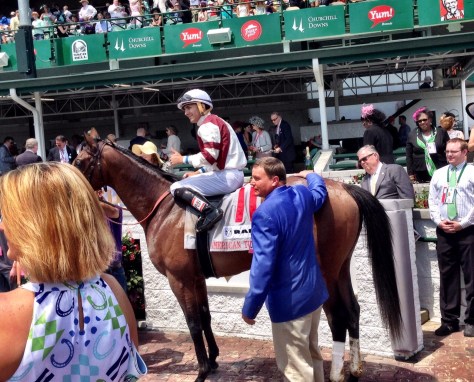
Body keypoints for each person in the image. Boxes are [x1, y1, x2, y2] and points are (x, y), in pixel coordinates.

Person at [0, 162, 147, 380]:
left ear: (32, 228)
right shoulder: (112, 290)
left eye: (7, 217)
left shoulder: (7, 313)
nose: (2, 226)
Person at [242, 157, 328, 381]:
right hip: (313, 294)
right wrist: (311, 174)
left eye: (257, 178)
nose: (251, 182)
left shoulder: (264, 214)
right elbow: (320, 191)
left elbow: (263, 267)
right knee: (312, 354)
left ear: (275, 180)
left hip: (290, 303)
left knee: (295, 368)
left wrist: (250, 307)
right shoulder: (302, 195)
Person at [169, 89, 247, 232]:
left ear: (201, 106)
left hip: (227, 176)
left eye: (188, 107)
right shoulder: (214, 121)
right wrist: (198, 172)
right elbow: (214, 160)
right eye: (184, 109)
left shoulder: (207, 125)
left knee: (176, 188)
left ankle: (209, 212)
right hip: (230, 173)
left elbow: (209, 157)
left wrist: (182, 159)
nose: (185, 112)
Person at [428, 138, 474, 337]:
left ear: (465, 153)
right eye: (447, 151)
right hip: (445, 231)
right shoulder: (439, 174)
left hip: (468, 231)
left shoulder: (472, 172)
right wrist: (439, 221)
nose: (449, 155)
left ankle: (472, 321)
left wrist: (462, 223)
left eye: (454, 152)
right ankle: (449, 321)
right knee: (448, 277)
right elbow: (432, 201)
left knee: (472, 277)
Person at [406, 107, 449, 183]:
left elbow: (449, 149)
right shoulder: (412, 135)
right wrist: (410, 173)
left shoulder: (441, 132)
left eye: (424, 120)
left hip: (440, 168)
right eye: (419, 121)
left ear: (430, 120)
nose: (422, 122)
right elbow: (409, 156)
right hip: (420, 171)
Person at [98, 190, 127, 293]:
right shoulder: (92, 215)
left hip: (115, 270)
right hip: (99, 272)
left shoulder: (115, 209)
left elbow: (112, 211)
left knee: (120, 308)